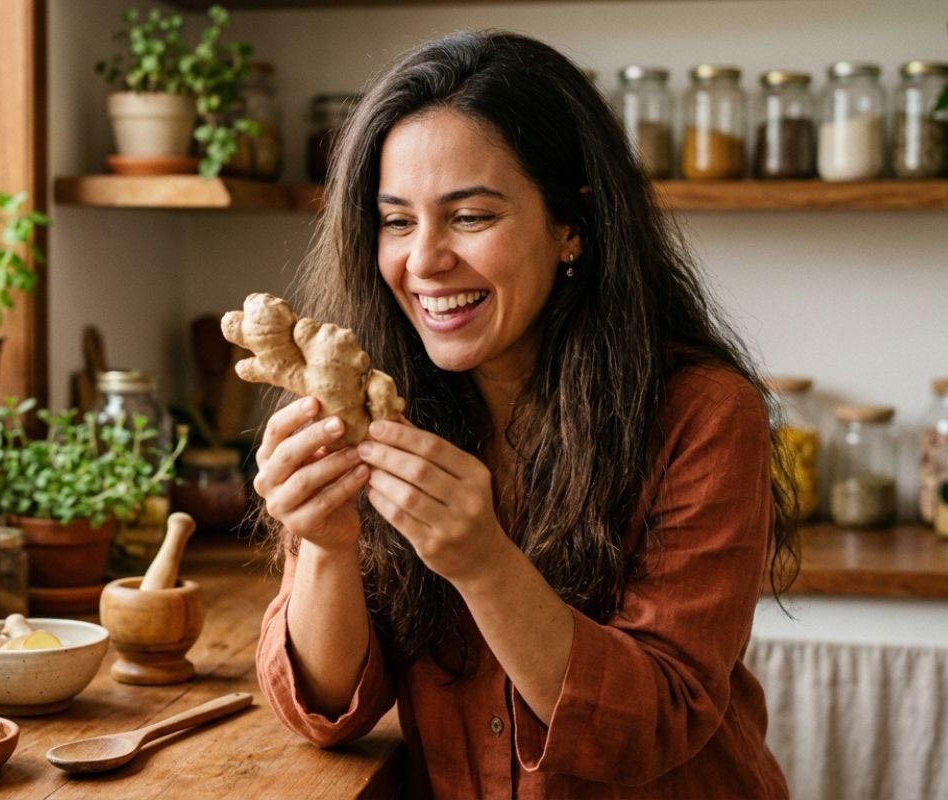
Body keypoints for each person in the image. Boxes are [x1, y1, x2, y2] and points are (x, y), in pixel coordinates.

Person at [252, 30, 799, 799]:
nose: (424, 260)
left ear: (570, 226)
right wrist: (324, 543)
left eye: (470, 217)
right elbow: (327, 709)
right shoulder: (377, 403)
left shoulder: (703, 415)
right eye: (397, 221)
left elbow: (655, 725)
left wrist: (483, 562)